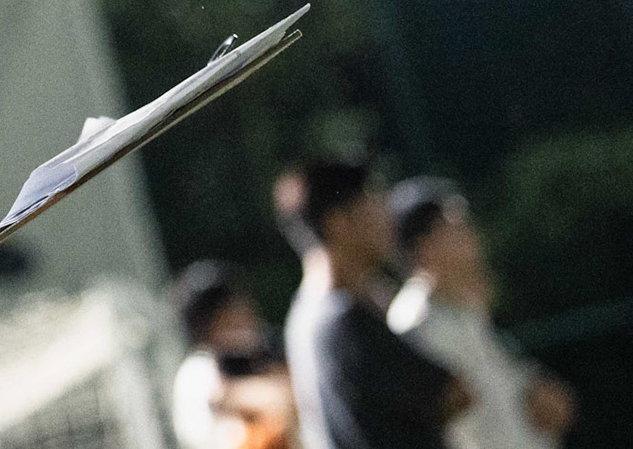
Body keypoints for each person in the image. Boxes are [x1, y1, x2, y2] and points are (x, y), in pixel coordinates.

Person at [276, 157, 471, 449]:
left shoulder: (303, 317)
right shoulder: (344, 321)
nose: (386, 215)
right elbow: (454, 395)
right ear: (338, 222)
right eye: (373, 202)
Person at [386, 178, 575, 449]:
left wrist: (536, 390)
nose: (472, 238)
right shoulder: (414, 325)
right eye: (458, 228)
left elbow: (510, 387)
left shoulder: (463, 311)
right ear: (425, 246)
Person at [171, 260, 279, 449]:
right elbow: (224, 397)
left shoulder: (250, 357)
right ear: (212, 324)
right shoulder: (198, 370)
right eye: (233, 310)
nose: (248, 312)